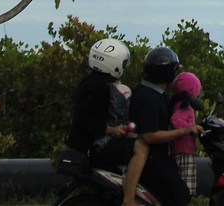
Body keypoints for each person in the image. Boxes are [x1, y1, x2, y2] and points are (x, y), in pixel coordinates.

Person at [128, 46, 204, 206]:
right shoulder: (150, 99)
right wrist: (185, 130)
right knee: (180, 193)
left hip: (157, 154)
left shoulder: (153, 92)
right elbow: (149, 136)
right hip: (152, 156)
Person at [66, 38, 137, 170]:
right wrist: (110, 130)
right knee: (138, 148)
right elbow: (83, 118)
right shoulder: (99, 88)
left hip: (79, 145)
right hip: (90, 147)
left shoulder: (88, 82)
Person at [169, 71, 203, 198]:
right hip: (184, 149)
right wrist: (190, 128)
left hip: (178, 148)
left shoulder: (177, 103)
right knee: (186, 189)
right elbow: (175, 120)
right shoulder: (185, 106)